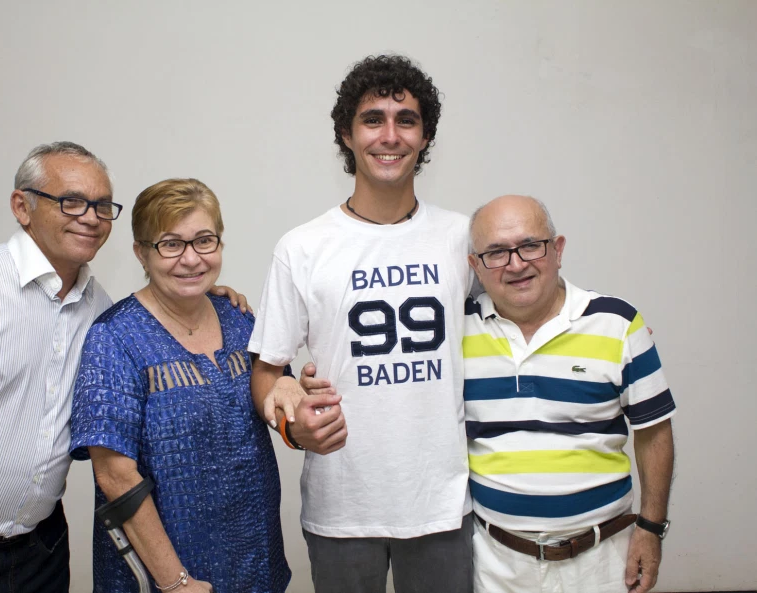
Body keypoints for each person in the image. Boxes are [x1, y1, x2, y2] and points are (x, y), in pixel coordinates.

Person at [0, 142, 247, 593]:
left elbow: (163, 311)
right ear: (21, 207)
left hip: (42, 550)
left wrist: (202, 293)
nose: (90, 217)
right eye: (71, 201)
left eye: (102, 206)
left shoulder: (102, 312)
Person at [249, 55, 474, 593]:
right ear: (347, 135)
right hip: (343, 506)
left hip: (442, 502)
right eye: (373, 119)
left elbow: (525, 310)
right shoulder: (302, 247)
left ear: (425, 136)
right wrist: (292, 427)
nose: (389, 136)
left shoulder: (463, 237)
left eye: (406, 120)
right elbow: (266, 372)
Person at [70, 178, 291, 593]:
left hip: (256, 559)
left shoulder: (240, 319)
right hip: (167, 575)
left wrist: (301, 403)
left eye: (204, 241)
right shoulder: (114, 337)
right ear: (141, 252)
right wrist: (176, 582)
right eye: (170, 244)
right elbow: (115, 475)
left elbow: (278, 401)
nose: (191, 259)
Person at [463, 194, 675, 593]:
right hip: (494, 565)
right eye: (496, 252)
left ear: (557, 250)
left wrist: (651, 528)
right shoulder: (456, 332)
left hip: (603, 563)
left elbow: (654, 433)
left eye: (530, 245)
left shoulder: (617, 323)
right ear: (476, 266)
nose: (516, 264)